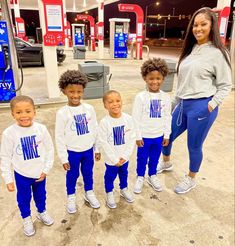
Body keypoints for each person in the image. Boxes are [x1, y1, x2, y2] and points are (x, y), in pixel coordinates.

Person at [157, 7, 232, 194]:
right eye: (195, 25)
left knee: (194, 146)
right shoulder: (190, 51)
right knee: (166, 137)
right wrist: (173, 104)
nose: (198, 28)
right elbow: (181, 83)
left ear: (212, 25)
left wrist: (210, 105)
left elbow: (225, 85)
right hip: (182, 104)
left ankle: (191, 178)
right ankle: (166, 163)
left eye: (203, 24)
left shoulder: (218, 53)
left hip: (202, 107)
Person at [0, 95, 54, 237]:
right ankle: (26, 218)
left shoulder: (41, 129)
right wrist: (8, 179)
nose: (24, 115)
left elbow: (49, 149)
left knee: (41, 195)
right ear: (12, 114)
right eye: (19, 112)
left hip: (40, 173)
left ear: (34, 111)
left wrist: (46, 169)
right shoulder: (9, 134)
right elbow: (5, 157)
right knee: (23, 198)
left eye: (27, 111)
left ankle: (41, 212)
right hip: (22, 174)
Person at [55, 70, 100, 213]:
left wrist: (97, 148)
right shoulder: (62, 113)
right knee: (72, 175)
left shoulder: (89, 109)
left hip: (88, 151)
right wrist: (63, 157)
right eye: (71, 91)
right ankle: (71, 196)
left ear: (83, 91)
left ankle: (89, 192)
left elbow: (95, 129)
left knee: (88, 173)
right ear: (64, 91)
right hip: (72, 152)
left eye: (79, 91)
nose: (75, 95)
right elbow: (59, 136)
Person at [132, 58, 172, 194]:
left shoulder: (166, 98)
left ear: (163, 78)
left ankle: (152, 175)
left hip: (159, 136)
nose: (155, 81)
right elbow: (135, 118)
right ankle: (140, 176)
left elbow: (168, 117)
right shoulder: (140, 97)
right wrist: (137, 136)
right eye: (151, 78)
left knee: (155, 157)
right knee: (142, 158)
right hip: (144, 136)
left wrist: (166, 134)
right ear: (145, 78)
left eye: (158, 78)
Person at [98, 90, 135, 209]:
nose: (115, 104)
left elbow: (131, 139)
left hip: (124, 158)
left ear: (121, 102)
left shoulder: (128, 119)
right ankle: (109, 192)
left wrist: (125, 156)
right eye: (110, 102)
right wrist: (114, 159)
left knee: (124, 173)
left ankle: (124, 188)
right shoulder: (104, 122)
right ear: (105, 105)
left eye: (117, 101)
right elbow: (104, 142)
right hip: (111, 160)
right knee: (110, 176)